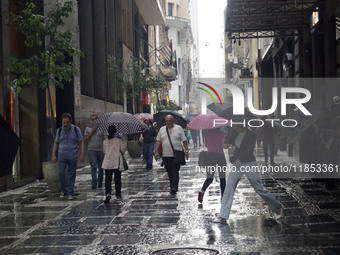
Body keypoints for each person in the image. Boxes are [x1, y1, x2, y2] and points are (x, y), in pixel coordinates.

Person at [213, 125, 283, 223]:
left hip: (249, 163)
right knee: (229, 187)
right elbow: (227, 145)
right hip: (237, 164)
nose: (235, 126)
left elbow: (249, 151)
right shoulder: (234, 133)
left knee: (259, 188)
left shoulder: (251, 135)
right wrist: (226, 140)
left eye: (237, 125)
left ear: (243, 124)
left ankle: (277, 207)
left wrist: (236, 152)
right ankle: (223, 215)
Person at [52, 113, 85, 200]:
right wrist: (53, 155)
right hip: (61, 155)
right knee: (60, 173)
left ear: (70, 122)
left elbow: (81, 141)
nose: (65, 124)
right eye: (64, 123)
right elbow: (56, 143)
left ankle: (70, 192)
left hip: (73, 155)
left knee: (71, 175)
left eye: (67, 122)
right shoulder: (59, 130)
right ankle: (63, 190)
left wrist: (82, 153)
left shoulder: (75, 129)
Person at [154, 115, 189, 195]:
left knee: (175, 171)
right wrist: (155, 152)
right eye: (167, 121)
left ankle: (174, 187)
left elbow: (184, 141)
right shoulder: (162, 129)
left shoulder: (179, 128)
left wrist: (186, 150)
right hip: (166, 155)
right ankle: (172, 186)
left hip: (176, 155)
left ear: (173, 121)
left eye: (169, 121)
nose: (168, 123)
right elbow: (158, 141)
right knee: (169, 172)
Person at [198, 128, 228, 203]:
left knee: (209, 178)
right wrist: (228, 143)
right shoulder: (222, 134)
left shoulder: (207, 134)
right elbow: (224, 146)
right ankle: (223, 196)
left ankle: (202, 191)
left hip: (210, 156)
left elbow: (207, 145)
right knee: (222, 178)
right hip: (220, 156)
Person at [102, 125, 126, 204]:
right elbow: (123, 151)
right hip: (116, 162)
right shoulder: (118, 140)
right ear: (115, 132)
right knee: (117, 179)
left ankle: (108, 193)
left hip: (107, 162)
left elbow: (105, 151)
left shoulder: (105, 141)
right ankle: (118, 194)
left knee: (108, 180)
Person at [84, 114, 105, 189]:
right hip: (91, 150)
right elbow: (85, 139)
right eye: (92, 119)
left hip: (100, 150)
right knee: (93, 167)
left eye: (95, 119)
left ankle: (100, 182)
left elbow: (105, 138)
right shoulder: (87, 128)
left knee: (101, 167)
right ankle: (94, 182)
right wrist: (92, 132)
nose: (94, 121)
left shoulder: (102, 128)